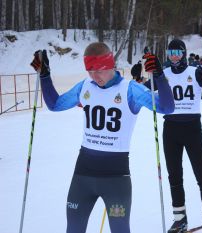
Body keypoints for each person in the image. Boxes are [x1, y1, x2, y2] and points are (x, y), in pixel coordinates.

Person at [30, 42, 175, 233]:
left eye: (99, 70)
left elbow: (166, 108)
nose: (94, 75)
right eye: (90, 70)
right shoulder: (85, 86)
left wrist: (159, 75)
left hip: (116, 177)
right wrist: (45, 75)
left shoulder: (130, 89)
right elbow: (55, 104)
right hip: (83, 174)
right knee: (73, 229)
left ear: (111, 65)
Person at [161, 39, 202, 233]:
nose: (174, 55)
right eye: (171, 52)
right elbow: (146, 91)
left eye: (178, 51)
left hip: (192, 128)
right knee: (174, 176)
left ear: (184, 53)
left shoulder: (194, 71)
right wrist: (141, 77)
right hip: (171, 129)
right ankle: (180, 219)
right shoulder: (163, 74)